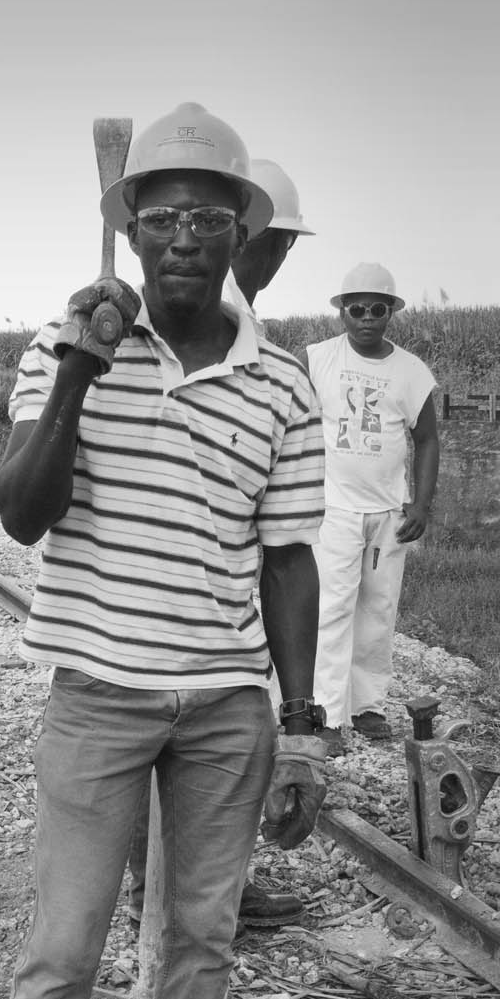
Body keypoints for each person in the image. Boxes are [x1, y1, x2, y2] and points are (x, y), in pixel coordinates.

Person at [0, 102, 328, 999]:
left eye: (208, 216)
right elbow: (21, 512)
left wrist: (305, 721)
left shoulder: (281, 385)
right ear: (130, 229)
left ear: (240, 235)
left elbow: (287, 557)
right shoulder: (58, 348)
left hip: (225, 706)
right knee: (63, 946)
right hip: (99, 696)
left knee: (200, 936)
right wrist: (80, 365)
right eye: (162, 212)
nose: (184, 234)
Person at [128, 156, 317, 935]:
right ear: (250, 238)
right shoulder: (223, 316)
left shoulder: (233, 317)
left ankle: (183, 888)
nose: (282, 258)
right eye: (280, 244)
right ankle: (185, 890)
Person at [307, 263, 439, 754]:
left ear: (390, 313)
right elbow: (295, 424)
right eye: (355, 308)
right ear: (342, 311)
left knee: (378, 609)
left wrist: (421, 504)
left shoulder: (410, 371)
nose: (365, 318)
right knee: (332, 607)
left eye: (376, 309)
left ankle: (367, 706)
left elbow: (426, 440)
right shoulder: (317, 359)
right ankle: (326, 713)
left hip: (387, 512)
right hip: (333, 508)